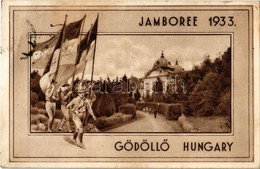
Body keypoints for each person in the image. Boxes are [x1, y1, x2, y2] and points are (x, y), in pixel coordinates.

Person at [66, 81, 96, 149]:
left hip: (83, 115)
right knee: (81, 129)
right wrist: (74, 110)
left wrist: (93, 115)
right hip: (76, 116)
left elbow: (89, 108)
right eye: (80, 93)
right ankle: (80, 143)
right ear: (78, 93)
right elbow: (68, 106)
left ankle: (73, 139)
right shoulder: (75, 100)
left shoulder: (86, 100)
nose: (82, 94)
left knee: (77, 129)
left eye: (83, 93)